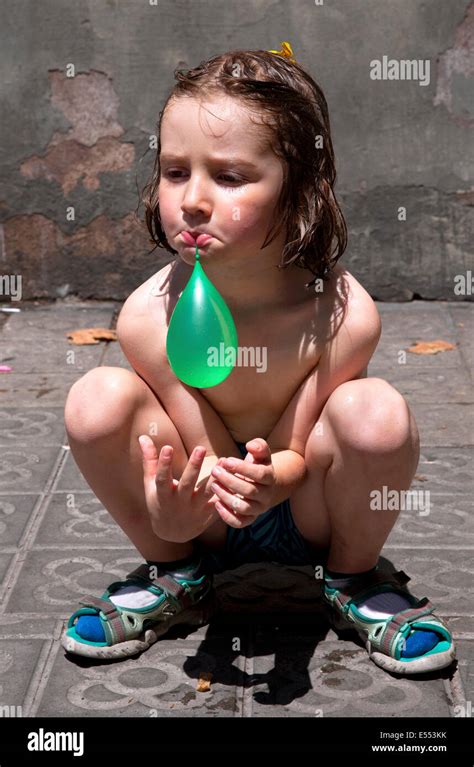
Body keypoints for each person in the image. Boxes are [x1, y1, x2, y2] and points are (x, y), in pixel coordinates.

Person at [61, 43, 455, 674]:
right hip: (207, 510)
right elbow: (198, 443)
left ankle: (353, 582)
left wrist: (276, 480)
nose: (192, 200)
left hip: (308, 505)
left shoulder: (343, 313)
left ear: (299, 187)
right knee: (95, 399)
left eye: (230, 176)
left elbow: (299, 444)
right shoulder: (147, 317)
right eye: (174, 171)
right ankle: (177, 572)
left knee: (375, 411)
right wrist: (176, 507)